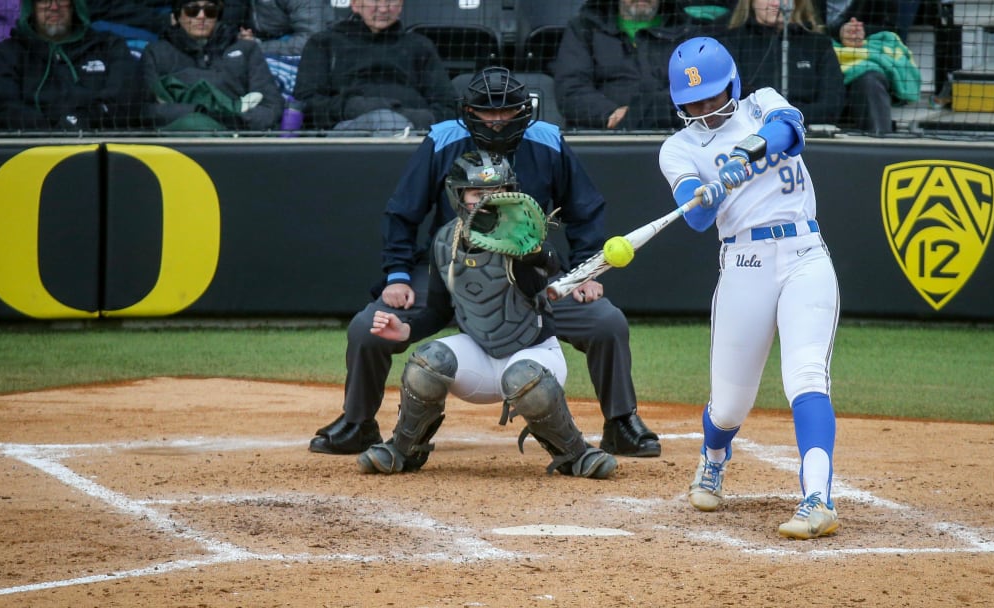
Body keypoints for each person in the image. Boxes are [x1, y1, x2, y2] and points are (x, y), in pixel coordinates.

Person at [309, 66, 661, 459]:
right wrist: (397, 275)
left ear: (524, 111)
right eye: (485, 112)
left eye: (506, 112)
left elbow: (586, 211)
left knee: (606, 322)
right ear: (468, 111)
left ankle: (621, 423)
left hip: (528, 274)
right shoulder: (443, 138)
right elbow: (402, 213)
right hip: (448, 272)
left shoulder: (547, 140)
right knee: (366, 329)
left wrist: (586, 273)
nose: (496, 121)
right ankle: (358, 423)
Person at [659, 37, 841, 539]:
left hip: (805, 254)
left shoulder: (762, 102)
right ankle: (714, 458)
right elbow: (695, 219)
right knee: (729, 406)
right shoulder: (677, 148)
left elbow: (789, 131)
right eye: (693, 104)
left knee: (806, 375)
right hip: (744, 262)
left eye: (713, 98)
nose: (705, 110)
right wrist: (706, 192)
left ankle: (818, 498)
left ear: (733, 86)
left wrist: (744, 153)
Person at [359, 151, 618, 479]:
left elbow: (545, 268)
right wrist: (406, 330)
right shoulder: (444, 242)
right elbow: (438, 312)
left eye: (496, 192)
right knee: (427, 362)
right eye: (477, 194)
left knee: (525, 379)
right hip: (479, 359)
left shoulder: (521, 235)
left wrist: (533, 250)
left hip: (533, 354)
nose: (487, 201)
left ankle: (576, 454)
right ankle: (404, 449)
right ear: (458, 196)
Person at [291, 0, 455, 133]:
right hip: (347, 131)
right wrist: (356, 107)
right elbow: (306, 102)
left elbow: (448, 106)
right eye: (375, 1)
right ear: (355, 4)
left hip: (414, 131)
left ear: (401, 5)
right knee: (383, 120)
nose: (383, 9)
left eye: (391, 1)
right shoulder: (324, 43)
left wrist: (412, 117)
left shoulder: (420, 45)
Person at [0, 0, 143, 130]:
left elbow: (125, 100)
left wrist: (80, 121)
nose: (53, 7)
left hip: (101, 149)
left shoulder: (109, 46)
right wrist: (53, 130)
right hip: (30, 154)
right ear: (31, 7)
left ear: (75, 5)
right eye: (43, 1)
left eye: (62, 0)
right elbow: (0, 110)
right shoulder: (5, 54)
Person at [140, 0, 284, 131]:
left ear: (217, 16)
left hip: (237, 140)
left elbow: (271, 105)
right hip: (179, 141)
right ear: (178, 15)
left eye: (210, 11)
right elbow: (146, 110)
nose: (201, 16)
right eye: (192, 10)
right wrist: (200, 113)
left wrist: (234, 122)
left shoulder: (246, 49)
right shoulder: (156, 52)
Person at [554, 0, 696, 130]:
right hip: (603, 136)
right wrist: (609, 114)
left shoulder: (688, 30)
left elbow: (698, 85)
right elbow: (570, 88)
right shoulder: (585, 27)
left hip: (676, 132)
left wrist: (654, 113)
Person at [720, 0, 845, 126]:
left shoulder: (819, 44)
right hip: (749, 131)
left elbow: (831, 105)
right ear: (751, 2)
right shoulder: (732, 42)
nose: (776, 4)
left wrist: (786, 117)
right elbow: (729, 101)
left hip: (807, 134)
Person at [816, 0, 902, 134]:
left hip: (861, 57)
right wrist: (839, 31)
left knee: (870, 81)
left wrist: (860, 31)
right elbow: (798, 23)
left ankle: (881, 144)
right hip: (814, 55)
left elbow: (893, 28)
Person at [232, 0, 329, 57]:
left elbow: (310, 42)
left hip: (304, 58)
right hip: (263, 49)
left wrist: (258, 47)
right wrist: (245, 38)